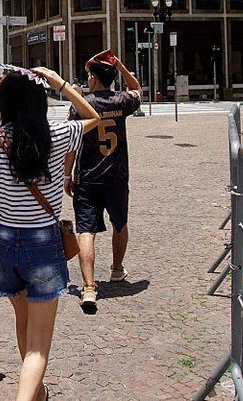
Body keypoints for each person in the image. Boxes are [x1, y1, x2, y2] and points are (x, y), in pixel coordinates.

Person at [0, 66, 99, 401]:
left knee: (23, 321)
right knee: (39, 344)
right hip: (42, 240)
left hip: (5, 242)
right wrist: (61, 84)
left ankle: (37, 391)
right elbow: (93, 116)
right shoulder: (57, 134)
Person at [66, 50, 142, 313]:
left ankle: (88, 287)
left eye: (90, 75)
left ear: (94, 79)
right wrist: (119, 65)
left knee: (86, 231)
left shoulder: (82, 105)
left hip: (87, 177)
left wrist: (67, 175)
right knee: (119, 223)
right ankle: (117, 269)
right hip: (117, 176)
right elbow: (137, 89)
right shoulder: (122, 101)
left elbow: (71, 142)